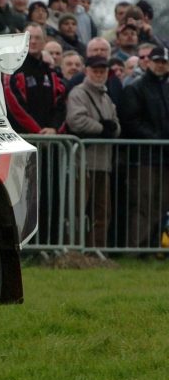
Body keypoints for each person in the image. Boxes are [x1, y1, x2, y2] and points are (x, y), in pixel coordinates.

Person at [4, 23, 67, 245]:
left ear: (44, 41)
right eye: (30, 38)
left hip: (51, 145)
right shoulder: (14, 71)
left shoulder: (52, 72)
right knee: (27, 196)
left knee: (51, 195)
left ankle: (49, 242)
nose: (34, 42)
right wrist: (37, 131)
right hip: (27, 143)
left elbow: (62, 102)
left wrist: (54, 130)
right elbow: (15, 106)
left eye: (38, 38)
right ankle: (27, 244)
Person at [117, 46, 169, 248]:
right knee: (142, 205)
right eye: (157, 61)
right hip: (143, 157)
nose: (160, 65)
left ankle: (154, 246)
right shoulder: (135, 88)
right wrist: (156, 138)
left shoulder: (165, 88)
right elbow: (131, 121)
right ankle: (136, 248)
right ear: (149, 62)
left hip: (164, 158)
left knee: (161, 205)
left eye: (164, 62)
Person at [65, 56, 119, 248]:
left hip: (103, 163)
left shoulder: (106, 97)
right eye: (95, 70)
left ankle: (97, 250)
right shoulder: (78, 94)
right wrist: (100, 128)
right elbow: (75, 120)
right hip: (83, 163)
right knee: (78, 209)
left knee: (102, 210)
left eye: (102, 71)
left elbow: (115, 123)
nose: (99, 74)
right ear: (86, 71)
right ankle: (73, 249)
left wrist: (112, 128)